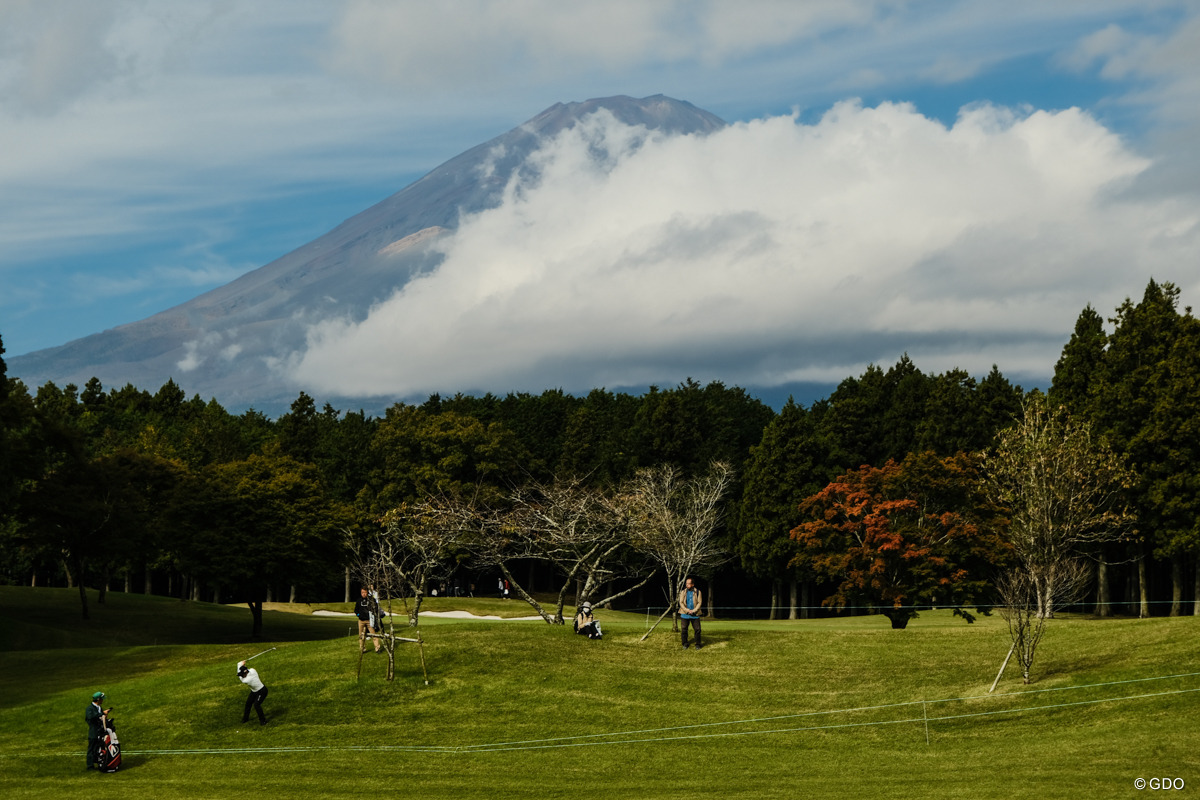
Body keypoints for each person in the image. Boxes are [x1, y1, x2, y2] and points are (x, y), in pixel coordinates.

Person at [84, 691, 112, 770]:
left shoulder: (99, 708)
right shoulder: (90, 708)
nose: (102, 700)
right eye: (101, 699)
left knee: (98, 748)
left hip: (100, 731)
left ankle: (97, 762)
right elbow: (90, 717)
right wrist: (102, 713)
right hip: (93, 731)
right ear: (98, 699)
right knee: (92, 749)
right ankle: (90, 766)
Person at [237, 661, 269, 725]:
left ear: (245, 673)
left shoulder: (247, 680)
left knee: (256, 705)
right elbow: (243, 670)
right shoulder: (253, 670)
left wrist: (240, 664)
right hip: (254, 691)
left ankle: (263, 721)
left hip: (262, 691)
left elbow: (240, 678)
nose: (242, 676)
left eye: (242, 674)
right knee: (248, 703)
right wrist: (242, 665)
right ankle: (245, 719)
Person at [355, 586, 382, 653]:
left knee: (374, 635)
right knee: (361, 636)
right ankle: (362, 649)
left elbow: (375, 608)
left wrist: (372, 614)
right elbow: (356, 610)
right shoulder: (359, 600)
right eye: (362, 592)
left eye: (365, 592)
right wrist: (359, 615)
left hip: (369, 621)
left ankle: (377, 648)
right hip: (361, 621)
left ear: (367, 592)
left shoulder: (371, 599)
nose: (363, 594)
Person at [679, 577, 703, 649]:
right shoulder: (683, 592)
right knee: (684, 630)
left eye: (688, 583)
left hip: (695, 615)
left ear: (692, 584)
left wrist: (694, 610)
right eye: (686, 583)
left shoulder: (698, 592)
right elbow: (681, 602)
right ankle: (685, 644)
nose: (687, 585)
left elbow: (699, 602)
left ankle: (698, 644)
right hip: (684, 614)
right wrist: (687, 610)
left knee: (697, 630)